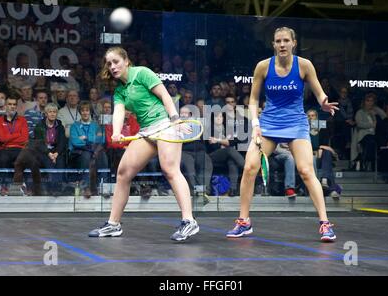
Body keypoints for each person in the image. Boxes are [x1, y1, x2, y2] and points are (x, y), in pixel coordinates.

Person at [226, 27, 339, 242]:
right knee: (250, 167)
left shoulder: (304, 65)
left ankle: (325, 224)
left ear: (294, 43)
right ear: (273, 44)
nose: (282, 44)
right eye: (278, 41)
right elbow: (253, 100)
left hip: (296, 122)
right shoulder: (263, 67)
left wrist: (323, 102)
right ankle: (243, 222)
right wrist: (256, 124)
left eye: (286, 40)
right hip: (268, 123)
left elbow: (319, 92)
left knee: (306, 170)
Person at [88, 46, 199, 241]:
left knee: (170, 169)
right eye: (109, 63)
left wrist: (175, 120)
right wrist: (115, 132)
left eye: (116, 62)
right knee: (123, 173)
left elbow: (165, 95)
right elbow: (119, 112)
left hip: (165, 124)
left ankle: (189, 221)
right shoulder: (120, 91)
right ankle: (113, 225)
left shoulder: (142, 73)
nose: (112, 66)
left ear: (126, 61)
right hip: (147, 131)